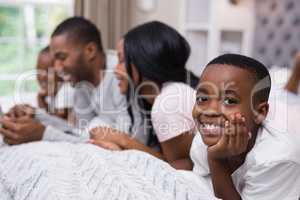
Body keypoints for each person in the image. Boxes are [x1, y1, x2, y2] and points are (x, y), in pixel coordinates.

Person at [0, 17, 132, 144]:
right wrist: (36, 115)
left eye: (62, 57)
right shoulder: (81, 83)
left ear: (90, 50)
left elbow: (126, 142)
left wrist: (43, 134)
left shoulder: (120, 76)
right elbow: (81, 133)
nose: (56, 68)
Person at [190, 54, 300, 199]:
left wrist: (216, 160)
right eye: (202, 99)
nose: (210, 110)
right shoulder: (202, 141)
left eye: (229, 100)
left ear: (259, 112)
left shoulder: (277, 157)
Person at [90, 21, 196, 169]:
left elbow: (181, 171)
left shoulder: (169, 102)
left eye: (121, 60)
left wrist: (124, 141)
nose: (115, 70)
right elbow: (171, 160)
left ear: (144, 62)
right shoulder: (162, 97)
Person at [36, 46, 74, 121]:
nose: (42, 76)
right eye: (38, 70)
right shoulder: (53, 94)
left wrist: (40, 99)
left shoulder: (67, 90)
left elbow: (58, 122)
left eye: (48, 71)